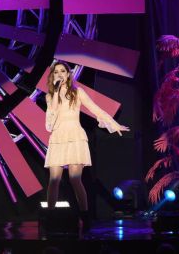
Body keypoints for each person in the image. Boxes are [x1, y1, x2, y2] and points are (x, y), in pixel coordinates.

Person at [44, 61, 130, 231]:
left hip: (75, 136)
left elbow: (95, 109)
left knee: (75, 179)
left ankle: (85, 217)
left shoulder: (78, 92)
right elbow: (49, 125)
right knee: (54, 180)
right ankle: (50, 218)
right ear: (52, 76)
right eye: (56, 72)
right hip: (58, 137)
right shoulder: (49, 96)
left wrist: (113, 124)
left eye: (63, 71)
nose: (59, 74)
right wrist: (55, 95)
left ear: (68, 74)